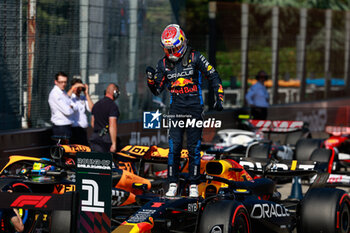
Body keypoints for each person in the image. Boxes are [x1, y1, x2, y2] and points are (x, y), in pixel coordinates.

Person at [146, 24, 224, 197]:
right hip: (175, 110)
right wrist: (151, 81)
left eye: (174, 48)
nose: (171, 52)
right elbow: (157, 90)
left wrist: (219, 97)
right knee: (173, 147)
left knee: (193, 148)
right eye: (168, 49)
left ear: (181, 43)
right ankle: (172, 182)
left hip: (195, 109)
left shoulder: (196, 57)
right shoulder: (163, 64)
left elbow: (213, 75)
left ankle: (194, 184)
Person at [89, 83, 120, 153]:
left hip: (95, 138)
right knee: (106, 162)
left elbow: (92, 124)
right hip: (106, 140)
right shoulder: (113, 106)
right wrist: (114, 143)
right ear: (115, 93)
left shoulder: (96, 105)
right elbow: (112, 126)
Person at [67, 78, 94, 145]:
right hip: (74, 129)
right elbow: (65, 99)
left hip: (83, 129)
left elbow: (92, 109)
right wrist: (73, 88)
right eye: (76, 87)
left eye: (79, 87)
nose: (78, 89)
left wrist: (86, 94)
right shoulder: (70, 98)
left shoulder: (83, 98)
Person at [48, 72, 75, 138]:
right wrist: (71, 107)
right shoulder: (55, 94)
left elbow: (73, 105)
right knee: (63, 147)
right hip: (60, 127)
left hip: (67, 126)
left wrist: (71, 106)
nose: (63, 84)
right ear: (56, 82)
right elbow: (67, 111)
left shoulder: (63, 92)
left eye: (65, 82)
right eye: (61, 82)